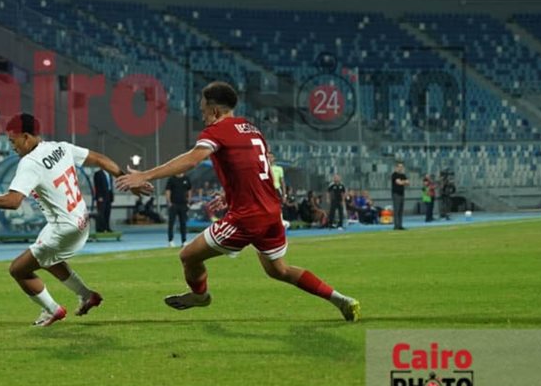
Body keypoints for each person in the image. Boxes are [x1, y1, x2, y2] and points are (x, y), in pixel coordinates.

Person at [116, 81, 359, 321]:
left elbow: (192, 160)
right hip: (271, 213)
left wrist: (144, 175)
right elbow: (253, 170)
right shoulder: (251, 129)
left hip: (246, 218)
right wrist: (228, 195)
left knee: (188, 256)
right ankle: (341, 299)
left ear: (214, 110)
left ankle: (200, 296)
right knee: (279, 270)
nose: (203, 117)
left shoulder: (216, 131)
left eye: (203, 111)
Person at [0, 113, 131, 326]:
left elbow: (13, 201)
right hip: (81, 220)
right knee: (49, 259)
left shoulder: (30, 163)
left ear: (27, 137)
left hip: (64, 229)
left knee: (18, 269)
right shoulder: (61, 147)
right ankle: (87, 295)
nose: (12, 146)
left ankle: (53, 310)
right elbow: (100, 159)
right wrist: (126, 179)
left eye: (13, 141)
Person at [165, 171, 192, 247]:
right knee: (171, 223)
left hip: (183, 204)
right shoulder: (171, 179)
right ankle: (170, 240)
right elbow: (168, 190)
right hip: (174, 204)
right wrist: (169, 202)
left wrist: (189, 200)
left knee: (183, 223)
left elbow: (189, 189)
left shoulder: (186, 178)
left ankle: (184, 241)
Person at [91, 165, 114, 233]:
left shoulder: (109, 174)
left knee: (107, 212)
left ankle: (107, 227)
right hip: (101, 196)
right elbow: (97, 186)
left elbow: (110, 186)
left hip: (108, 195)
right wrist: (99, 196)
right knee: (101, 213)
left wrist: (111, 196)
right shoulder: (98, 174)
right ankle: (100, 228)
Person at [391, 160, 410, 230]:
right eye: (399, 167)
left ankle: (400, 225)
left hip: (402, 193)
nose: (400, 168)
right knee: (397, 210)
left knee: (401, 210)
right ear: (396, 167)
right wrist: (404, 182)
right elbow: (399, 183)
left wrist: (403, 182)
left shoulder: (403, 175)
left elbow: (408, 182)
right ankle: (396, 225)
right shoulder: (394, 175)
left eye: (401, 167)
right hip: (396, 193)